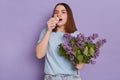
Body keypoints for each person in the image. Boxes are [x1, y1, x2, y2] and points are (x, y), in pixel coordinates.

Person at [36, 3, 84, 80]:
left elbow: (80, 65)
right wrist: (49, 30)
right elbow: (39, 55)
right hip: (52, 78)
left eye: (63, 12)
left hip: (73, 77)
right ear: (53, 16)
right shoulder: (46, 32)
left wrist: (77, 56)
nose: (59, 14)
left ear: (68, 16)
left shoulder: (77, 35)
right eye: (56, 12)